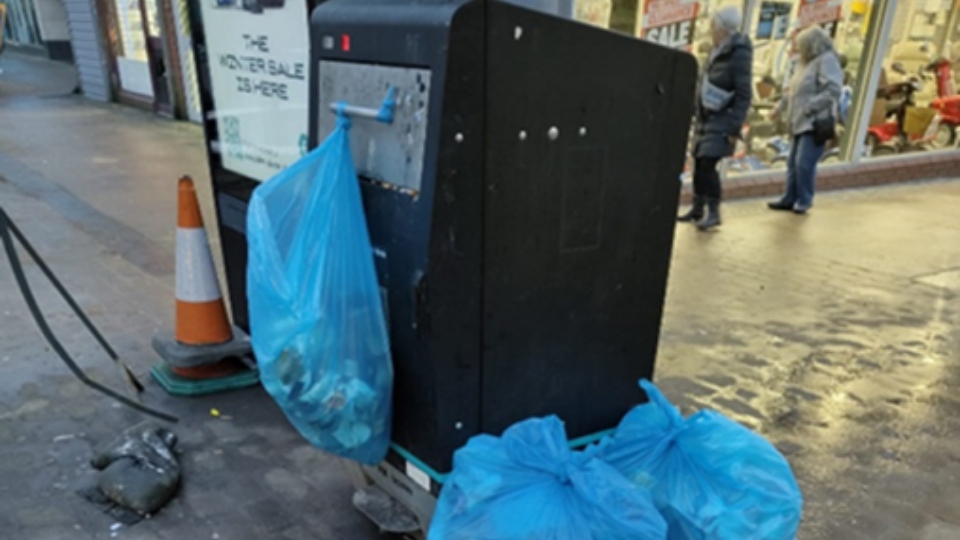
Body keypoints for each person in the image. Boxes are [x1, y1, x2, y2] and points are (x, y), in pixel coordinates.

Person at [677, 5, 753, 231]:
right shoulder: (716, 50)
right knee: (700, 163)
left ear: (722, 29)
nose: (711, 31)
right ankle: (698, 207)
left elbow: (743, 94)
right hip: (707, 116)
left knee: (708, 164)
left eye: (713, 27)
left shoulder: (738, 54)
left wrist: (733, 127)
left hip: (723, 117)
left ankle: (714, 211)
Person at [768, 26, 843, 214]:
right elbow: (792, 90)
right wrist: (779, 108)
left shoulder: (826, 61)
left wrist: (810, 107)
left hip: (814, 122)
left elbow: (833, 90)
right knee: (792, 162)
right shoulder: (803, 63)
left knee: (804, 163)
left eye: (800, 46)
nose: (797, 49)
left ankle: (804, 199)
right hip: (798, 120)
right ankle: (789, 197)